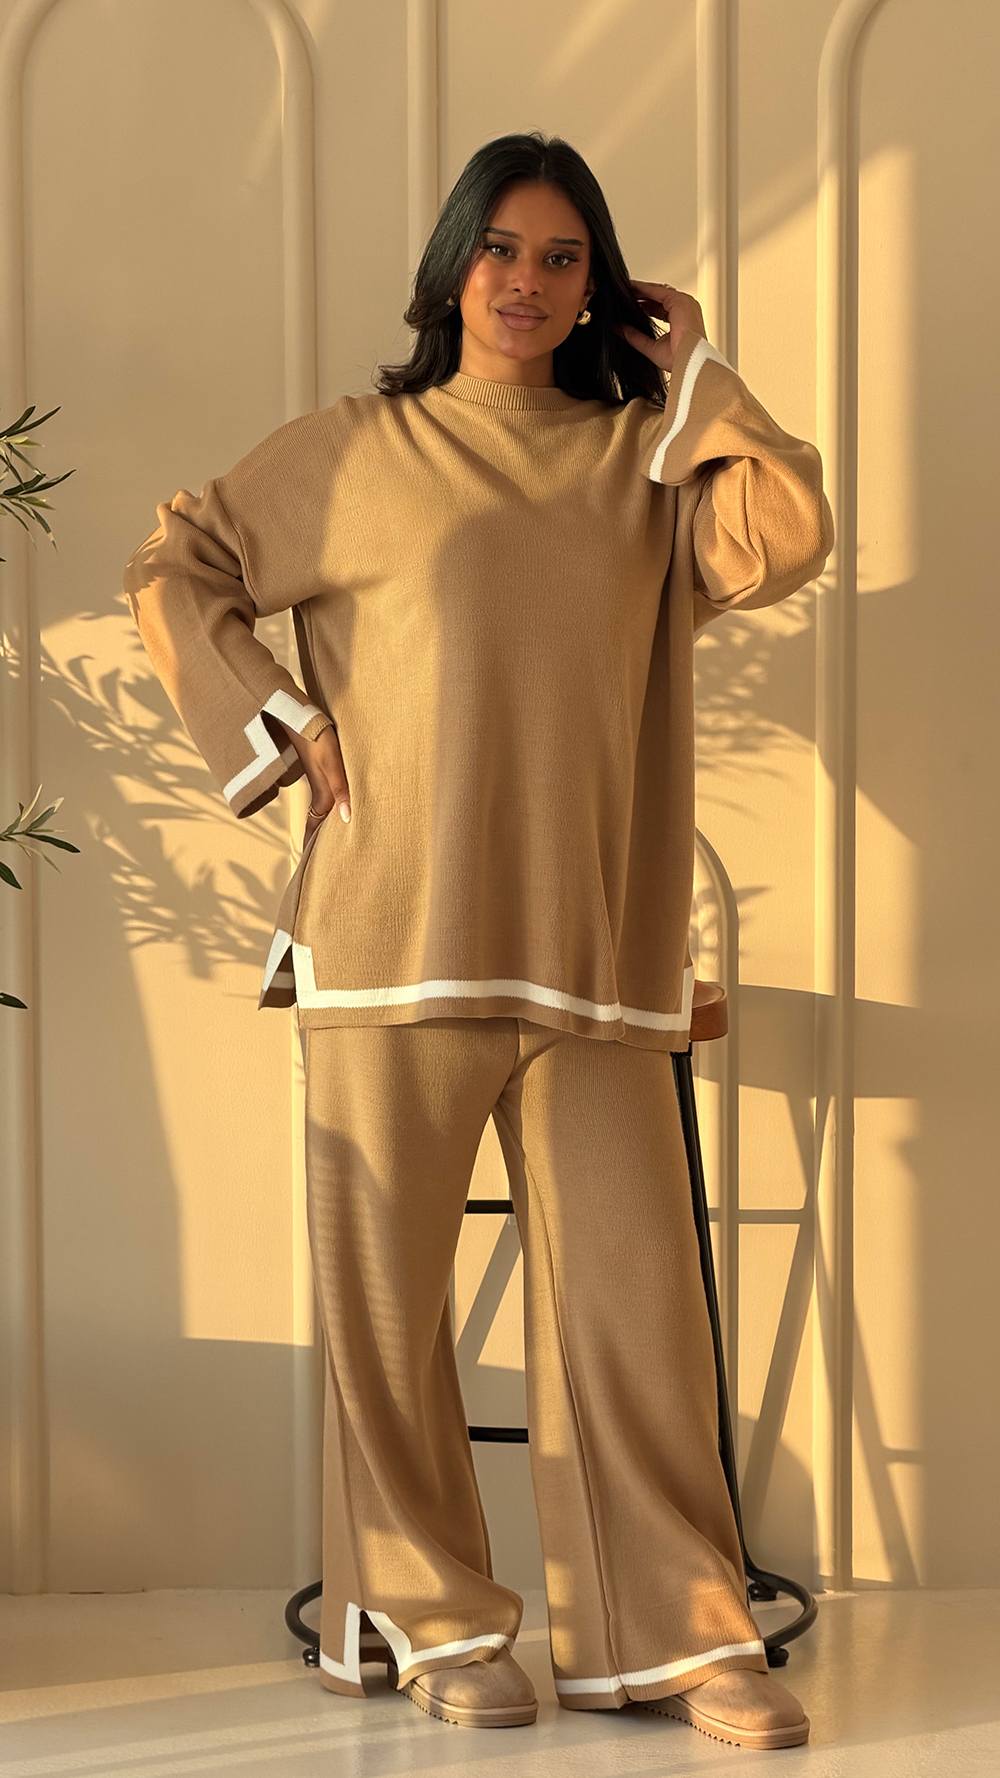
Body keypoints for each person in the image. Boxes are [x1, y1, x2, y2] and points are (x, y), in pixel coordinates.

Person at [123, 130, 833, 1748]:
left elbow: (786, 530)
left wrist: (698, 368)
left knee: (639, 1320)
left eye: (564, 257)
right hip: (392, 942)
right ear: (453, 267)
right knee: (387, 1320)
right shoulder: (354, 450)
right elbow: (180, 560)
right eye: (503, 249)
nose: (528, 281)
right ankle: (434, 1619)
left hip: (593, 953)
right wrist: (281, 720)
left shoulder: (641, 463)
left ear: (602, 288)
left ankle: (682, 1636)